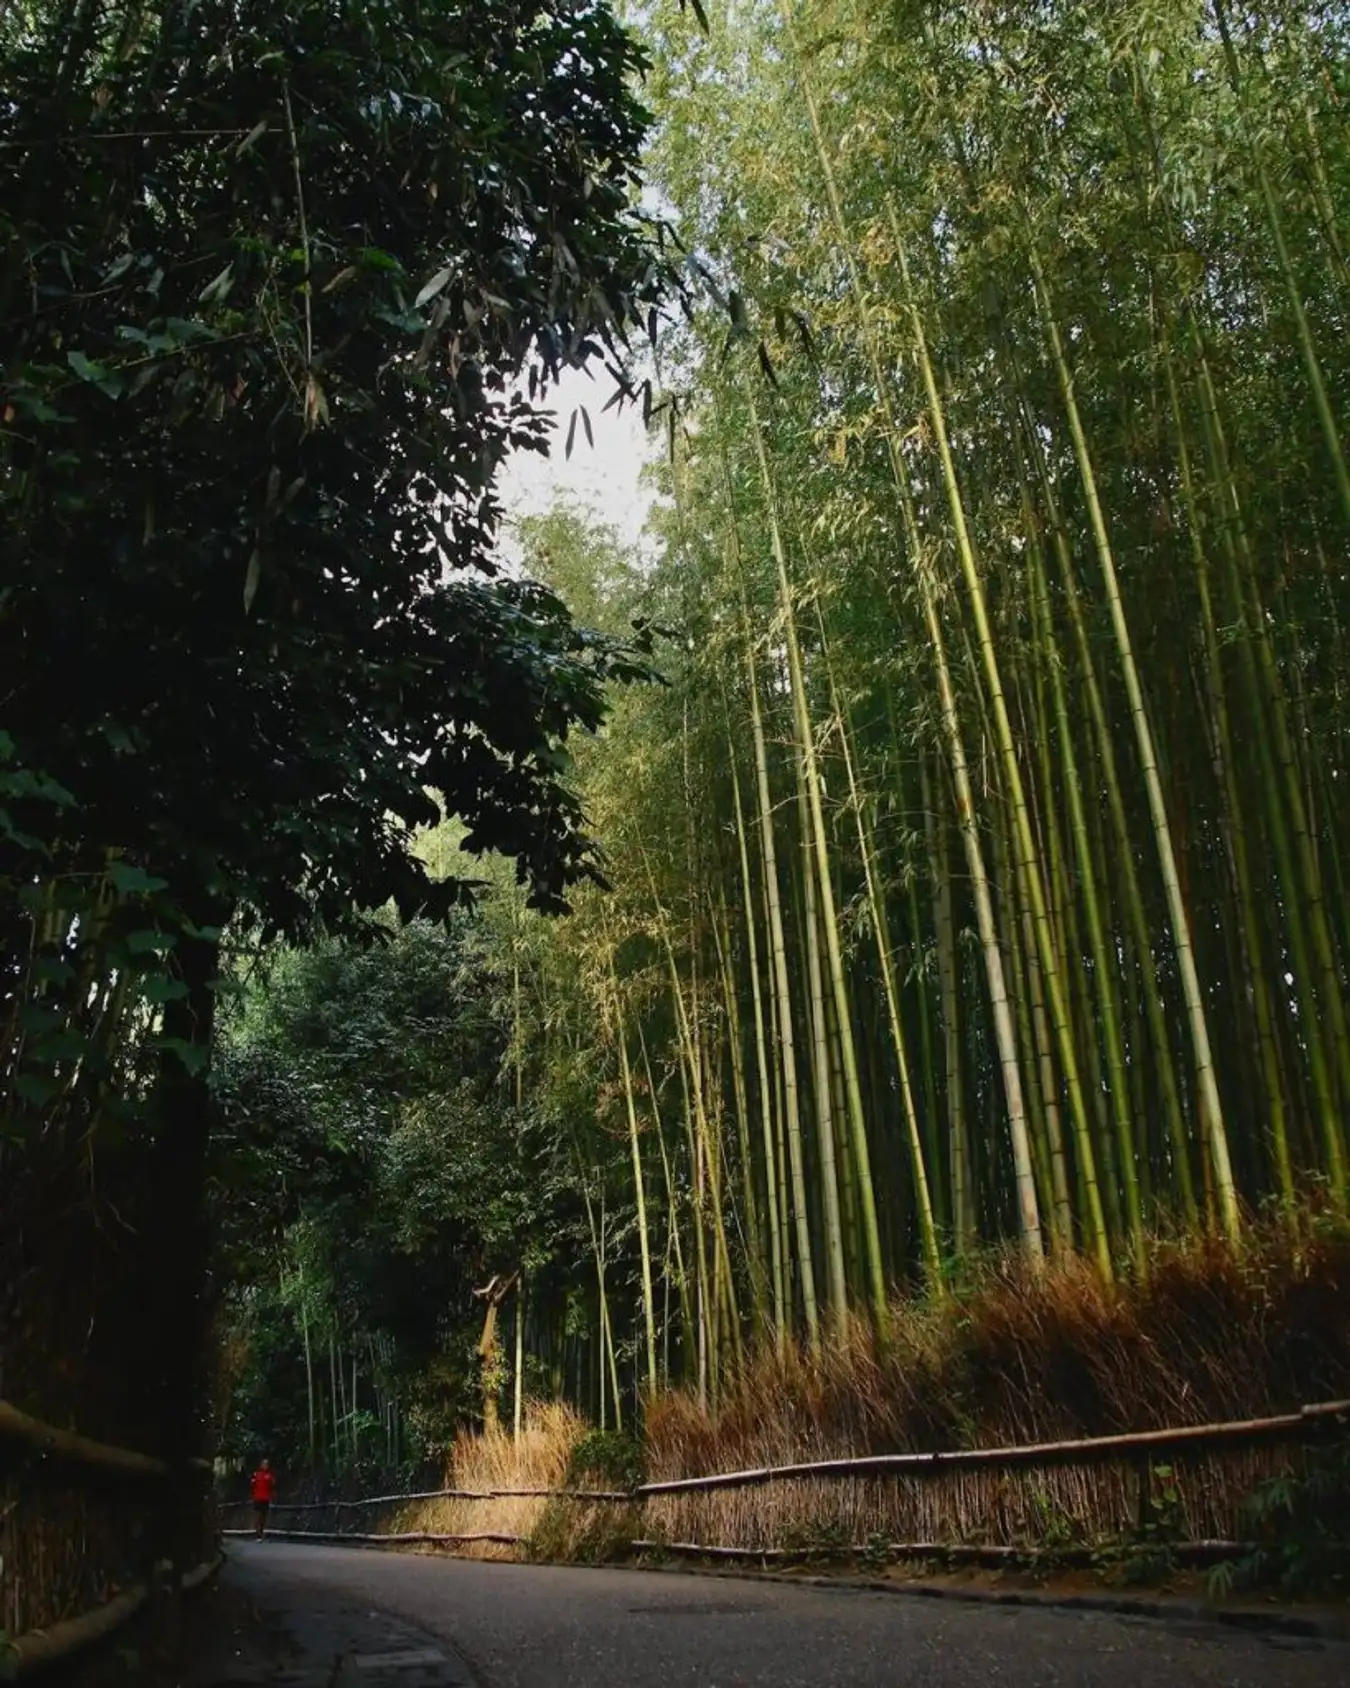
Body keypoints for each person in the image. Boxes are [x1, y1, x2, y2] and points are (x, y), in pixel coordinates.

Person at [250, 1458, 277, 1539]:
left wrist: (272, 1494)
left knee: (264, 1517)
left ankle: (261, 1533)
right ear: (261, 1465)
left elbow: (272, 1486)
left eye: (267, 1464)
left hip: (265, 1498)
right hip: (257, 1498)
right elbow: (252, 1485)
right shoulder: (256, 1474)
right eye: (264, 1464)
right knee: (258, 1516)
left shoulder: (269, 1475)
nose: (265, 1466)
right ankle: (257, 1533)